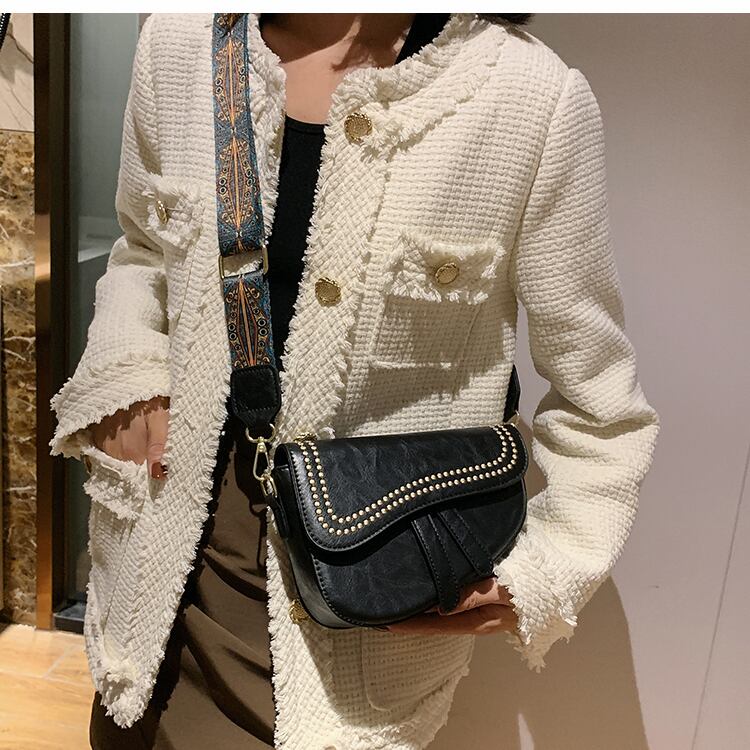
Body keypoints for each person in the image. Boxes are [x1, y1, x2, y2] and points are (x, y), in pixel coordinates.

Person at [50, 12, 660, 750]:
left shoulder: (531, 99)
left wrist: (545, 571)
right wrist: (130, 370)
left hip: (361, 606)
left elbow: (601, 403)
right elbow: (144, 247)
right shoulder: (176, 41)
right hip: (155, 562)